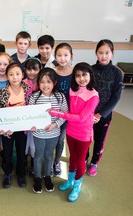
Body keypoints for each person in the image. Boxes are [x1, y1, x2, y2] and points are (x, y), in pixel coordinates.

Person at [49, 62, 99, 202]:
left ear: (90, 75)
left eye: (84, 75)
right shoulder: (72, 90)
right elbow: (71, 110)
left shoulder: (94, 95)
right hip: (71, 131)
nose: (81, 78)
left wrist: (58, 114)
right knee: (72, 158)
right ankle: (70, 181)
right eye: (77, 75)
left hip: (84, 133)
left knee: (80, 160)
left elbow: (82, 118)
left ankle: (77, 186)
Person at [86, 39, 123, 177]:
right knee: (86, 138)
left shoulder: (116, 73)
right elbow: (85, 91)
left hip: (104, 115)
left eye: (107, 53)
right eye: (100, 53)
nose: (104, 56)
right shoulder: (90, 70)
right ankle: (84, 159)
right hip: (88, 114)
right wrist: (89, 113)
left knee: (99, 140)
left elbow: (115, 97)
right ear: (96, 53)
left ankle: (94, 162)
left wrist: (101, 114)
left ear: (112, 53)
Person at [29, 68, 67, 194]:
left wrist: (55, 124)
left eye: (49, 82)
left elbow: (64, 114)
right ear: (38, 83)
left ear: (54, 82)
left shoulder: (60, 96)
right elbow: (29, 115)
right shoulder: (34, 97)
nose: (45, 85)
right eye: (42, 82)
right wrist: (32, 125)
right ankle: (37, 178)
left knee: (49, 155)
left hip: (54, 133)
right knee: (38, 155)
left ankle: (47, 177)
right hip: (38, 133)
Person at [0, 62, 30, 189]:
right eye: (11, 74)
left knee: (21, 152)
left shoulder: (28, 89)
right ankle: (8, 174)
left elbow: (33, 110)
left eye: (17, 74)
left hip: (23, 129)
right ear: (7, 76)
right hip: (7, 130)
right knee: (7, 153)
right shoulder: (2, 92)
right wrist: (3, 129)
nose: (14, 77)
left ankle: (21, 174)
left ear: (22, 75)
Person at [52, 43, 74, 176]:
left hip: (67, 114)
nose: (62, 58)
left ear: (71, 56)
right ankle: (49, 161)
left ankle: (57, 161)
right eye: (59, 55)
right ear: (55, 57)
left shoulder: (75, 73)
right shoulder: (53, 73)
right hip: (52, 112)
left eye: (66, 55)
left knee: (60, 139)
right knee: (51, 138)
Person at [23, 57, 42, 178]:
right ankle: (24, 163)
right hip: (25, 118)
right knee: (25, 142)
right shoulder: (22, 82)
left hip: (38, 118)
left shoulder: (42, 83)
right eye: (29, 69)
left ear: (40, 69)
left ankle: (34, 166)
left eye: (35, 69)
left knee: (36, 142)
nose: (32, 72)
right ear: (25, 70)